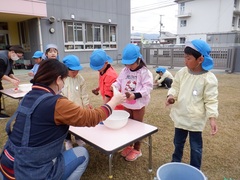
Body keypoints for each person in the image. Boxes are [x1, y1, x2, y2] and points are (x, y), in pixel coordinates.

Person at [0, 59, 125, 180]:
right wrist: (114, 101)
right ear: (58, 79)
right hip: (30, 173)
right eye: (64, 80)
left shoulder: (28, 96)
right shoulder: (56, 103)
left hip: (8, 165)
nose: (64, 84)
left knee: (60, 149)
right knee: (82, 153)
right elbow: (91, 118)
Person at [165, 39, 218, 170]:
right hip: (181, 115)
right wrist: (171, 96)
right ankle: (175, 162)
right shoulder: (182, 72)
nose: (185, 61)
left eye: (188, 58)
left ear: (200, 59)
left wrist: (212, 118)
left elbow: (211, 99)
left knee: (196, 147)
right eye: (185, 57)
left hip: (195, 119)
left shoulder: (209, 78)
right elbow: (175, 86)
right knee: (178, 143)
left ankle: (195, 169)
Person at [112, 44, 153, 161]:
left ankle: (137, 148)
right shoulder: (125, 70)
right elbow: (119, 81)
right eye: (127, 63)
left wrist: (135, 95)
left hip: (138, 104)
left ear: (138, 59)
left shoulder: (144, 72)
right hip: (127, 103)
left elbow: (148, 88)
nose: (129, 65)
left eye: (131, 63)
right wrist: (114, 86)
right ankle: (129, 145)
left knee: (137, 126)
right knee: (128, 124)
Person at [62, 55, 91, 150]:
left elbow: (84, 94)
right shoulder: (61, 79)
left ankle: (78, 138)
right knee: (65, 125)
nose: (76, 73)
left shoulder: (80, 79)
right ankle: (68, 140)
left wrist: (87, 104)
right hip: (65, 108)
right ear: (66, 69)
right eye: (73, 71)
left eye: (77, 71)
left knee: (78, 124)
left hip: (77, 107)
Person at [0, 45, 24, 118]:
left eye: (20, 57)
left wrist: (14, 78)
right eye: (18, 56)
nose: (19, 58)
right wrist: (11, 80)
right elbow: (0, 73)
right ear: (13, 52)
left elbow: (9, 71)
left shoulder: (10, 58)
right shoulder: (1, 58)